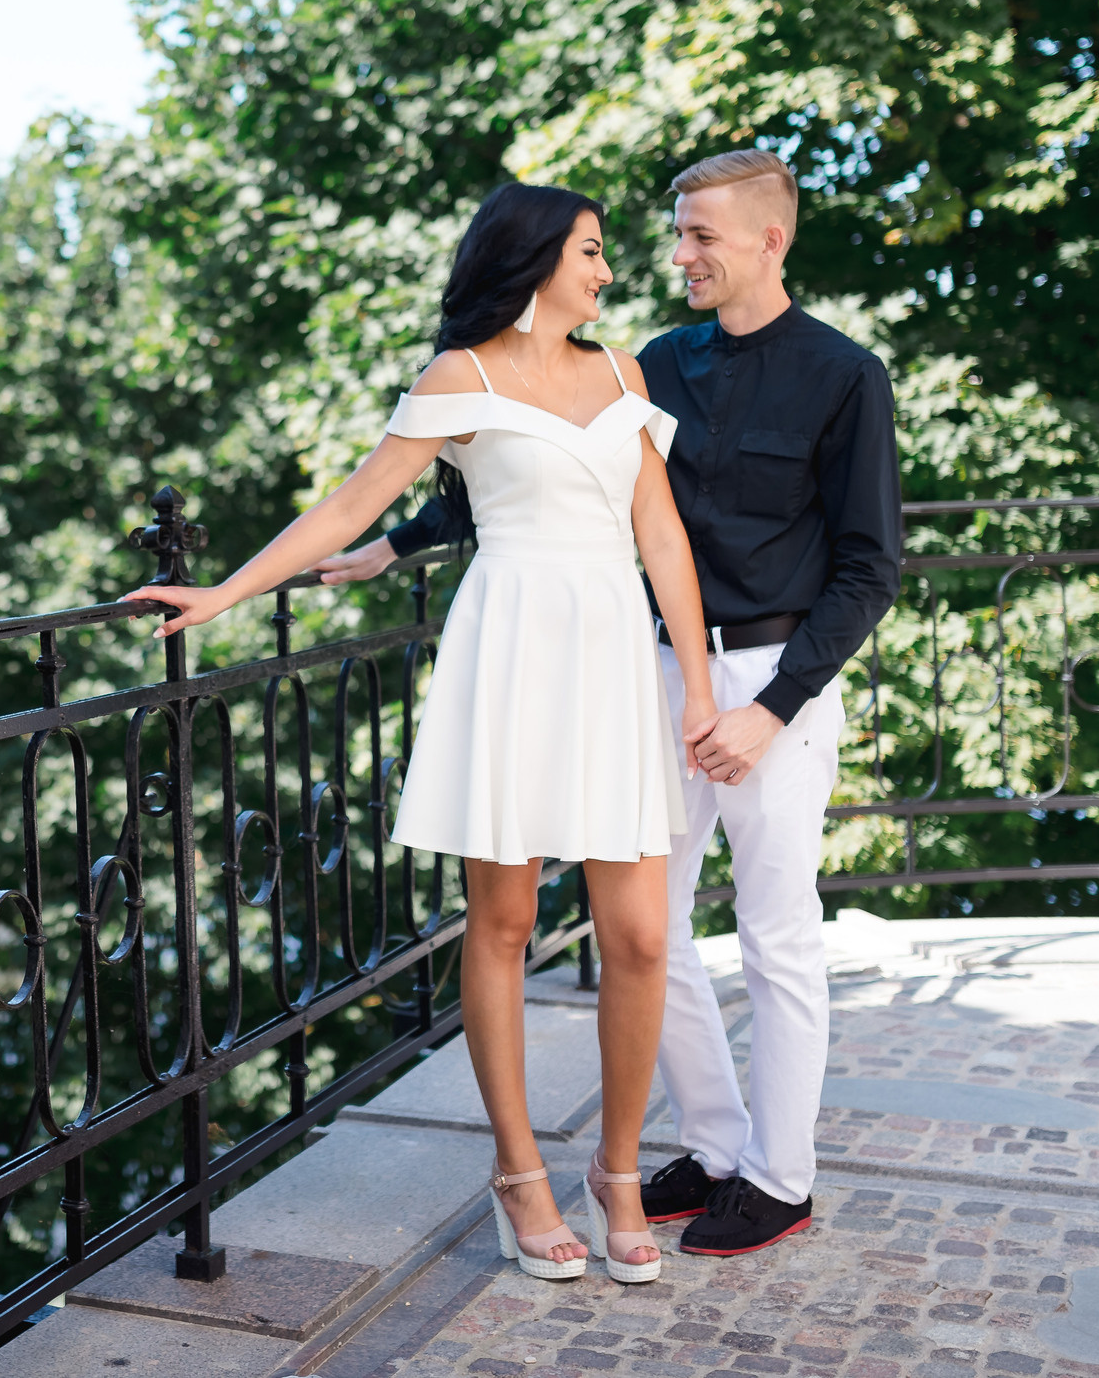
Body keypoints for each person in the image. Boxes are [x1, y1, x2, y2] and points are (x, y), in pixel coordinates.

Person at [123, 183, 718, 1287]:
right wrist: (223, 593)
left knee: (640, 935)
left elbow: (663, 535)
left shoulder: (624, 374)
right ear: (536, 258)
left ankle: (619, 1169)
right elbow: (350, 507)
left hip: (613, 654)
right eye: (591, 251)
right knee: (504, 921)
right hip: (512, 646)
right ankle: (519, 1173)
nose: (607, 271)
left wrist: (695, 685)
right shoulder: (460, 378)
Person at [320, 149, 901, 1258]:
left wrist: (772, 705)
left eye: (700, 236)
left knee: (777, 930)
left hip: (773, 680)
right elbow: (535, 459)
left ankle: (778, 1177)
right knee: (648, 929)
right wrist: (392, 543)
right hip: (648, 673)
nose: (677, 255)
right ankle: (713, 1147)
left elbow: (871, 567)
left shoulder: (845, 374)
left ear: (769, 240)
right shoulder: (652, 363)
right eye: (677, 232)